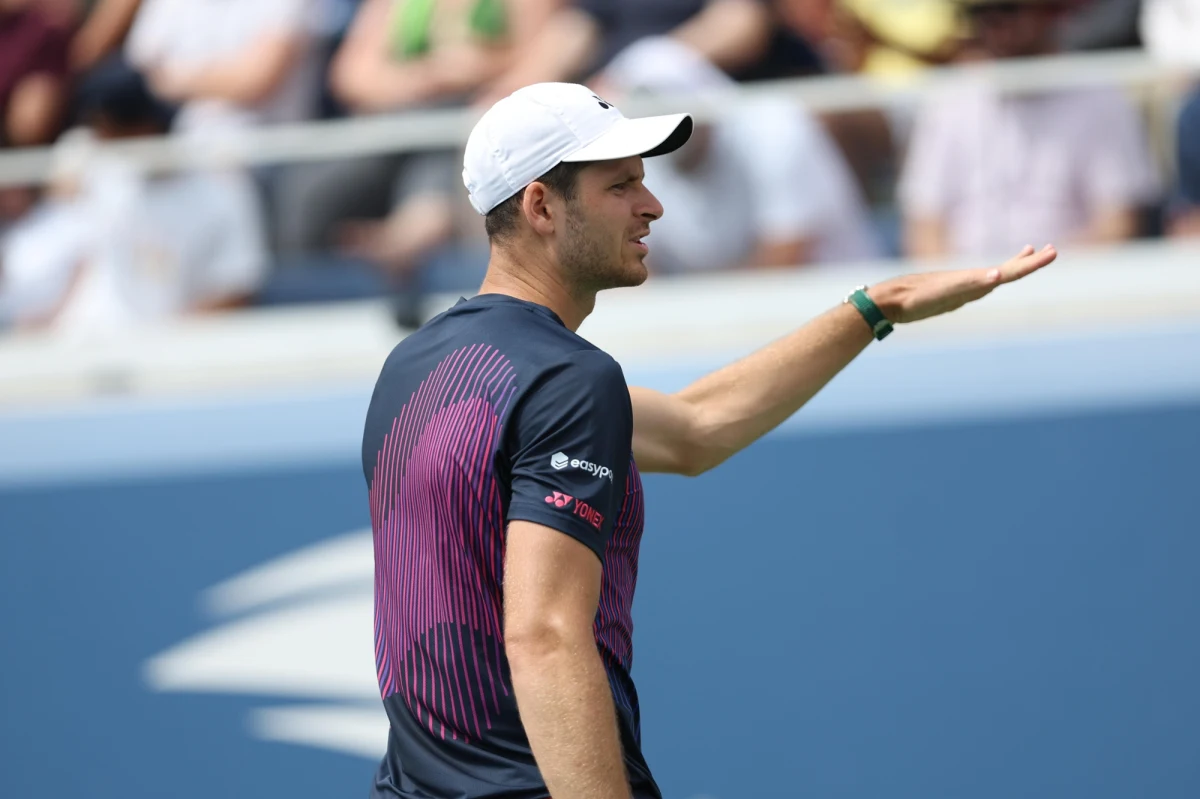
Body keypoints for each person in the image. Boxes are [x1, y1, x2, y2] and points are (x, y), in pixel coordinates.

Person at [361, 81, 1056, 799]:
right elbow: (544, 635)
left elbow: (696, 428)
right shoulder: (569, 379)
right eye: (621, 185)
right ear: (541, 205)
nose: (652, 204)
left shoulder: (418, 367)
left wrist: (876, 307)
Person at [898, 0, 1159, 259]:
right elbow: (924, 229)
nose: (995, 25)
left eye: (1008, 9)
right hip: (969, 288)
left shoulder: (1100, 96)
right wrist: (966, 287)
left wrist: (1031, 274)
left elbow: (1118, 225)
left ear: (1048, 12)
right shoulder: (948, 100)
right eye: (979, 14)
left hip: (1071, 285)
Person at [604, 36, 881, 271]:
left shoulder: (776, 129)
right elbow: (638, 267)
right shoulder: (646, 156)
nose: (666, 125)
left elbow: (784, 260)